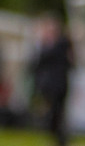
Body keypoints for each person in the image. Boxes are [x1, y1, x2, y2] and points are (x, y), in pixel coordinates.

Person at [32, 14, 74, 146]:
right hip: (49, 85)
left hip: (59, 85)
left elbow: (68, 62)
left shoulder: (62, 43)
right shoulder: (46, 45)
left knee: (58, 113)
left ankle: (61, 139)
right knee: (52, 114)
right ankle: (57, 137)